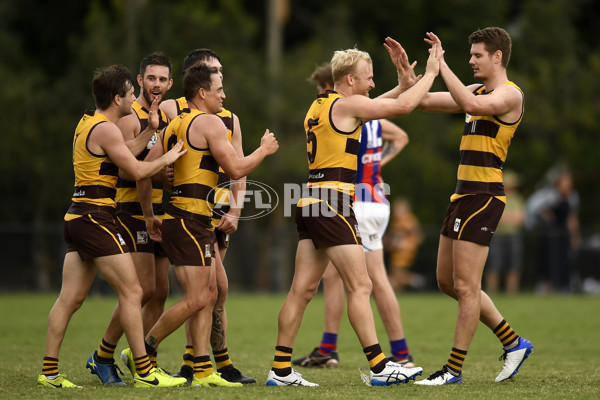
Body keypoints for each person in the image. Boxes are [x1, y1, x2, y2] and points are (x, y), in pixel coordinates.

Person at [266, 36, 443, 387]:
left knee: (301, 290)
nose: (372, 82)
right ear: (350, 80)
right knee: (361, 285)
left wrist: (402, 81)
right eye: (368, 76)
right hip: (334, 204)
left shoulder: (323, 105)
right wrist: (432, 72)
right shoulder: (345, 108)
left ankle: (280, 370)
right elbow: (403, 108)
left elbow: (376, 102)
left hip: (312, 202)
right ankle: (380, 367)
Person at [122, 63, 278, 388]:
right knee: (196, 299)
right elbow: (236, 169)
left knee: (210, 292)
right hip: (189, 220)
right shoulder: (208, 122)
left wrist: (166, 178)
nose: (224, 95)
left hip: (190, 220)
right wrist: (263, 150)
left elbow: (141, 169)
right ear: (202, 93)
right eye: (219, 89)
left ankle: (205, 370)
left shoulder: (175, 123)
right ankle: (141, 352)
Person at [37, 64, 187, 389]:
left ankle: (49, 373)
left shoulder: (90, 122)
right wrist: (169, 155)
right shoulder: (106, 128)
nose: (135, 100)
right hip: (96, 217)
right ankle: (145, 371)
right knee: (133, 291)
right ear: (117, 97)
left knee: (70, 299)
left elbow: (123, 152)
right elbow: (134, 169)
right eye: (132, 95)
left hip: (78, 215)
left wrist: (149, 132)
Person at [406, 28, 533, 385]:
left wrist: (441, 65)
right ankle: (514, 342)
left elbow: (473, 106)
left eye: (477, 55)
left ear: (497, 57)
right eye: (470, 54)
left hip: (484, 196)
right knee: (448, 282)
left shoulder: (510, 95)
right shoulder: (475, 91)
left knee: (466, 286)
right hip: (462, 195)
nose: (471, 60)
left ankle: (453, 370)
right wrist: (408, 80)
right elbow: (427, 102)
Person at [292, 63, 417, 369]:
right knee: (359, 279)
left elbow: (399, 111)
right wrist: (380, 164)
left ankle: (380, 354)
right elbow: (399, 133)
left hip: (354, 198)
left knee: (354, 281)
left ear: (330, 87)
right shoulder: (370, 113)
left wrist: (426, 76)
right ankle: (386, 352)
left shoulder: (343, 111)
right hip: (373, 197)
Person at [161, 49, 255, 384]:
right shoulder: (172, 109)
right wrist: (162, 175)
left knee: (214, 291)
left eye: (220, 71)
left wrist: (235, 209)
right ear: (198, 82)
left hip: (213, 210)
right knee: (207, 289)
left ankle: (205, 364)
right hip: (185, 211)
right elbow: (156, 158)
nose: (221, 82)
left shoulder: (229, 118)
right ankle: (194, 362)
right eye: (213, 74)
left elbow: (237, 170)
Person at [84, 52, 174, 386]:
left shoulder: (164, 114)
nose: (156, 85)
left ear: (170, 84)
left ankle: (144, 358)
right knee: (141, 288)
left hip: (160, 210)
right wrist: (150, 210)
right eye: (151, 78)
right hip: (133, 210)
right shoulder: (128, 115)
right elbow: (127, 168)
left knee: (160, 290)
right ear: (140, 81)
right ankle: (106, 354)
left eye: (163, 79)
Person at [526, 165, 581, 294]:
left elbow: (571, 218)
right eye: (565, 181)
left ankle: (564, 287)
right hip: (549, 235)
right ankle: (545, 286)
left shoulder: (572, 197)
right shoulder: (549, 195)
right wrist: (546, 216)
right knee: (547, 261)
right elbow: (535, 208)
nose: (568, 184)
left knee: (564, 261)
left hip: (563, 235)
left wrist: (575, 236)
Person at [484, 170, 525, 294]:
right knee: (494, 265)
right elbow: (494, 218)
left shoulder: (518, 199)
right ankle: (491, 293)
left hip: (514, 236)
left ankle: (512, 293)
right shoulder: (495, 198)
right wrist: (511, 217)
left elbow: (520, 219)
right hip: (496, 236)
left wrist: (504, 217)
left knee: (514, 266)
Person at [385, 197, 425, 292]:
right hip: (397, 252)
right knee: (395, 277)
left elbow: (418, 236)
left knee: (397, 274)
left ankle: (417, 280)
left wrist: (407, 245)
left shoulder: (408, 220)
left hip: (404, 252)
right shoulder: (396, 222)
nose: (396, 211)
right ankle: (399, 294)